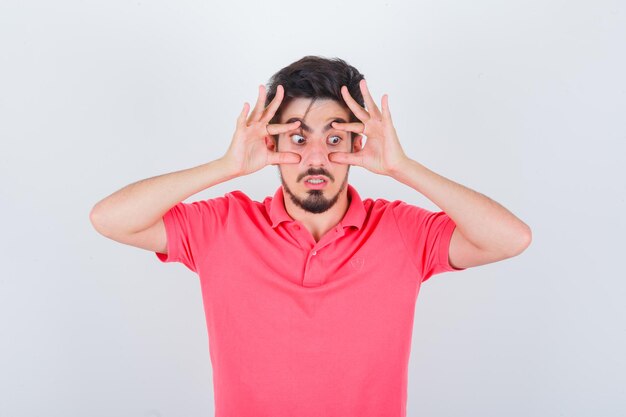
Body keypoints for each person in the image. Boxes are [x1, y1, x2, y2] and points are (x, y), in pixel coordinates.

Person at [90, 56, 531, 417]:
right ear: (270, 141)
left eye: (335, 137)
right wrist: (225, 168)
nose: (316, 158)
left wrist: (402, 167)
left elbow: (510, 238)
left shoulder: (402, 230)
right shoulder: (223, 225)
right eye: (297, 137)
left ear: (358, 143)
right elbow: (110, 218)